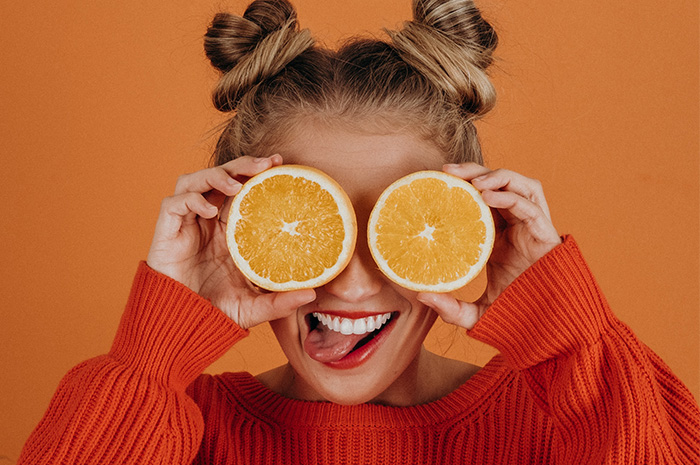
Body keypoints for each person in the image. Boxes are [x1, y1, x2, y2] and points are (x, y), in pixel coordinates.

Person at [18, 0, 700, 463]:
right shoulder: (180, 430)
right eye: (314, 223)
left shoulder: (567, 422)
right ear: (234, 226)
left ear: (469, 225)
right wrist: (151, 354)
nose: (350, 280)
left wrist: (570, 336)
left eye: (398, 222)